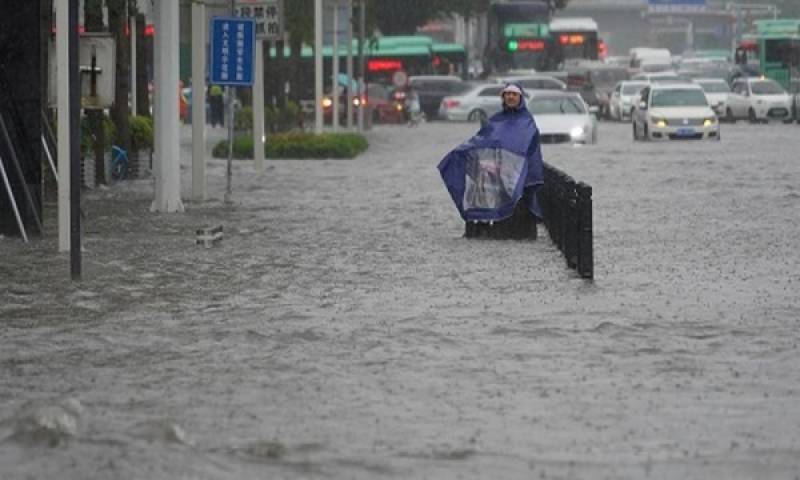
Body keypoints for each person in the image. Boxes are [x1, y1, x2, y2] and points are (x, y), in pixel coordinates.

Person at [438, 82, 544, 239]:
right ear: (503, 97)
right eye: (507, 94)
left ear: (520, 98)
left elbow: (528, 148)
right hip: (495, 178)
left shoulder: (527, 122)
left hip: (518, 177)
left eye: (514, 94)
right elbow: (482, 141)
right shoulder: (495, 120)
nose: (510, 97)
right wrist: (463, 151)